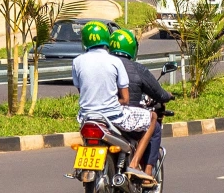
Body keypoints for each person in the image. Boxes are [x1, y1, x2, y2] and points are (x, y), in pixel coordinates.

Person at [71, 21, 153, 182]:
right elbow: (125, 98)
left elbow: (82, 90)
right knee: (152, 118)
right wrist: (117, 100)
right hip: (113, 116)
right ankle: (135, 163)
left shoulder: (77, 61)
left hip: (87, 117)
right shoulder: (114, 61)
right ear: (106, 40)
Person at [108, 29, 172, 179]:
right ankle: (146, 172)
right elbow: (159, 94)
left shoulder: (104, 66)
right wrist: (168, 95)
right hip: (125, 118)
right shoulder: (137, 68)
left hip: (101, 116)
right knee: (154, 125)